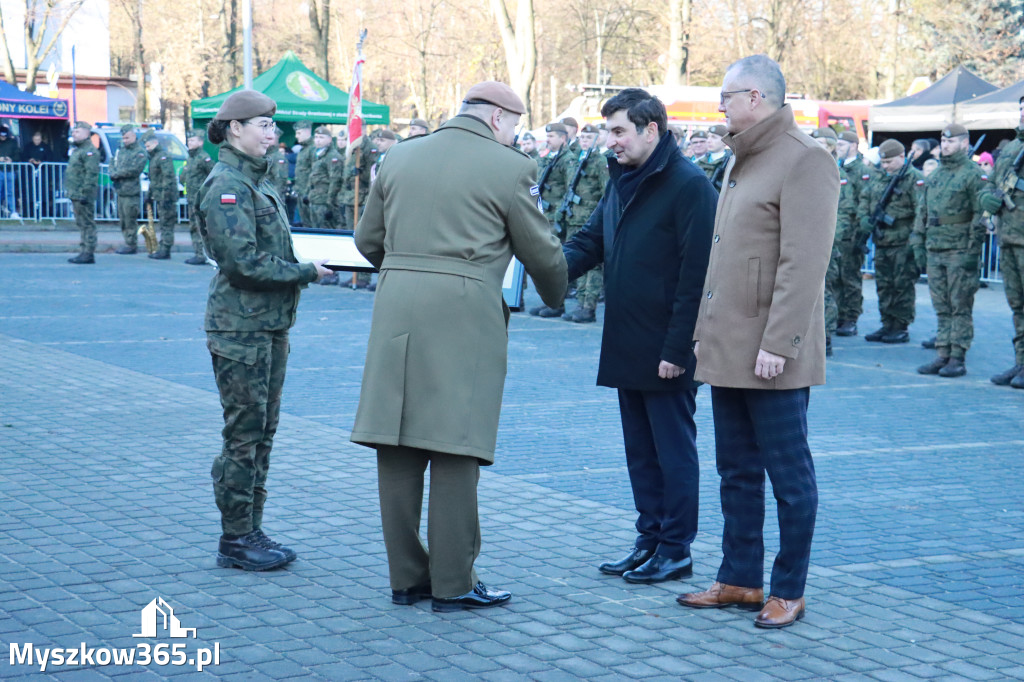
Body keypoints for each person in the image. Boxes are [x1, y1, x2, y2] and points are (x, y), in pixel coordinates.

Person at [350, 80, 566, 612]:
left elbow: (365, 240)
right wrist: (556, 293)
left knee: (396, 442)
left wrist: (407, 271)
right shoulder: (510, 167)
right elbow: (540, 249)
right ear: (498, 118)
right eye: (515, 125)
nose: (516, 136)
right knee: (455, 446)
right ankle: (452, 582)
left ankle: (406, 579)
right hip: (464, 312)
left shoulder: (399, 156)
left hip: (396, 304)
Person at [678, 55, 838, 629]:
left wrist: (781, 342)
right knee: (736, 471)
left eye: (726, 95)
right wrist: (702, 334)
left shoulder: (804, 160)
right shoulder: (740, 160)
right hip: (730, 347)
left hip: (772, 353)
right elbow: (724, 260)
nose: (720, 106)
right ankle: (741, 578)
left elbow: (804, 262)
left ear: (755, 98)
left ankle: (788, 588)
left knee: (789, 478)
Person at [564, 88, 716, 584]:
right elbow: (590, 241)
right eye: (608, 131)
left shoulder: (689, 185)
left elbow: (698, 276)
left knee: (673, 453)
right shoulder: (624, 178)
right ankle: (649, 538)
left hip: (667, 350)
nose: (610, 142)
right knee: (641, 453)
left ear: (651, 130)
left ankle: (676, 549)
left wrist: (678, 349)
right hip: (629, 342)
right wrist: (541, 269)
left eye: (618, 131)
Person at [195, 89, 331, 571]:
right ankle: (235, 538)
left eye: (274, 127)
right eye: (264, 126)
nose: (274, 134)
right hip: (241, 329)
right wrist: (304, 272)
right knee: (244, 433)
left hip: (267, 325)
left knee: (263, 431)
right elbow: (243, 263)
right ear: (235, 129)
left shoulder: (257, 181)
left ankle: (250, 528)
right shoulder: (228, 185)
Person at [912, 124, 993, 378]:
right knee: (941, 306)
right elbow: (922, 211)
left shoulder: (972, 174)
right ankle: (943, 353)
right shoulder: (935, 175)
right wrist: (918, 241)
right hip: (935, 248)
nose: (945, 145)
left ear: (964, 143)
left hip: (960, 249)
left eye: (951, 141)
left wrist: (973, 250)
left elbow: (980, 215)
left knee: (960, 306)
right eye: (943, 141)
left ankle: (957, 356)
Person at [859, 139, 923, 344]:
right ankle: (887, 323)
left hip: (903, 243)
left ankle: (901, 326)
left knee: (902, 286)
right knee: (884, 285)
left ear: (902, 157)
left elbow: (921, 212)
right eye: (883, 163)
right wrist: (864, 219)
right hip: (882, 241)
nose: (885, 166)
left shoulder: (914, 179)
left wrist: (916, 241)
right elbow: (865, 199)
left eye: (890, 162)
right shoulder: (879, 178)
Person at [984, 97, 1024, 387]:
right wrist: (985, 198)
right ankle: (1021, 362)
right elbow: (991, 184)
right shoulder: (1010, 149)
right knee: (1018, 307)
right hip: (1009, 239)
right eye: (1021, 109)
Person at [559, 123, 610, 324]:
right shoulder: (579, 160)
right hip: (574, 217)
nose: (585, 141)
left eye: (589, 138)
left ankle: (589, 306)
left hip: (590, 218)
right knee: (577, 260)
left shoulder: (600, 161)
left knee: (593, 266)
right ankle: (581, 303)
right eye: (583, 138)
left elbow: (606, 193)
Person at [108, 124, 149, 254]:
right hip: (120, 190)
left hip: (131, 191)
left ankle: (131, 244)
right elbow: (112, 162)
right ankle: (127, 241)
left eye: (127, 137)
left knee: (130, 219)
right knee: (123, 219)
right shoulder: (121, 150)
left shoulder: (139, 152)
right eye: (123, 138)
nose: (125, 140)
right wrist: (112, 172)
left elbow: (135, 169)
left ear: (133, 136)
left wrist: (117, 173)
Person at [66, 121, 101, 264]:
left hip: (83, 194)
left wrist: (86, 193)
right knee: (81, 224)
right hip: (76, 193)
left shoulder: (90, 151)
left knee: (87, 224)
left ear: (87, 134)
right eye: (73, 132)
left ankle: (88, 252)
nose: (74, 134)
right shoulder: (78, 150)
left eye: (77, 131)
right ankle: (84, 250)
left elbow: (91, 174)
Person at [142, 130, 179, 260]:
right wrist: (149, 195)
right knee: (163, 222)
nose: (147, 149)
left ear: (155, 143)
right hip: (159, 195)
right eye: (146, 147)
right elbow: (154, 180)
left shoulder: (163, 156)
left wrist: (166, 196)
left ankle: (165, 249)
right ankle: (163, 247)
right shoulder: (154, 158)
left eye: (148, 146)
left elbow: (167, 177)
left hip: (166, 196)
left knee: (167, 223)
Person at [184, 129, 215, 265]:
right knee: (193, 226)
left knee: (200, 227)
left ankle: (203, 254)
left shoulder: (204, 158)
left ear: (201, 142)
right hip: (191, 198)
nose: (189, 142)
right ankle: (198, 253)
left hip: (201, 199)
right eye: (189, 140)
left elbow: (213, 176)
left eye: (193, 140)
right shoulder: (190, 157)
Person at [23, 130, 53, 218]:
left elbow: (50, 158)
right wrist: (30, 160)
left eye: (38, 140)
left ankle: (44, 214)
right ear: (32, 138)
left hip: (43, 174)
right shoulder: (28, 147)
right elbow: (23, 157)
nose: (37, 141)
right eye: (35, 140)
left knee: (43, 193)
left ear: (41, 139)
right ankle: (30, 214)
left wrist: (42, 162)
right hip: (30, 173)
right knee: (31, 193)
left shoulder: (46, 147)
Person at [293, 121, 315, 226]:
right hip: (301, 192)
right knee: (305, 223)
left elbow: (314, 173)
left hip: (309, 194)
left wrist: (308, 192)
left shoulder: (313, 149)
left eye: (299, 133)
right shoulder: (303, 149)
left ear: (307, 132)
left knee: (311, 224)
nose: (296, 136)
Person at [0, 125, 20, 218]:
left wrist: (11, 159)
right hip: (0, 170)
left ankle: (13, 211)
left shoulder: (12, 142)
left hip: (10, 170)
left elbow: (17, 155)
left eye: (4, 135)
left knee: (10, 192)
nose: (3, 137)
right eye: (1, 135)